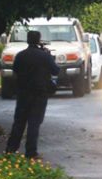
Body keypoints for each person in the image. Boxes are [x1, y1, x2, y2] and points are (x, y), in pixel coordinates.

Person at [5, 30, 60, 160]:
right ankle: (31, 152)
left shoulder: (20, 55)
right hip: (39, 94)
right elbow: (56, 70)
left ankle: (11, 149)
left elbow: (16, 70)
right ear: (39, 40)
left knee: (19, 122)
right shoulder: (44, 56)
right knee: (34, 123)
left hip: (23, 93)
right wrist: (49, 56)